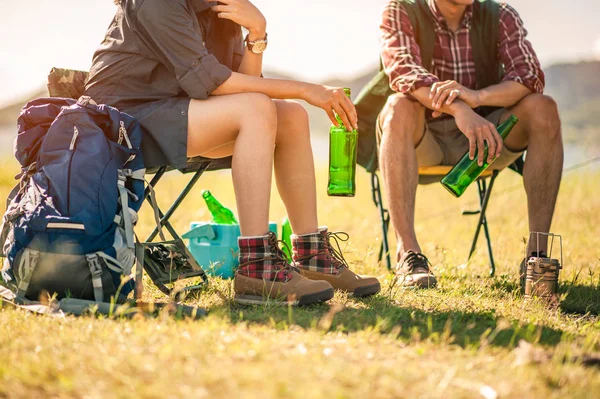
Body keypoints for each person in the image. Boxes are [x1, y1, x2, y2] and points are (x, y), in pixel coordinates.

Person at [84, 0, 381, 305]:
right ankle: (256, 266)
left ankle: (311, 255)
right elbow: (213, 83)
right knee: (258, 109)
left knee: (292, 117)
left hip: (178, 113)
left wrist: (256, 34)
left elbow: (248, 88)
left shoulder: (222, 8)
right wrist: (308, 89)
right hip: (120, 124)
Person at [377, 0, 563, 288]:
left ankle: (536, 259)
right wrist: (460, 110)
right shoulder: (401, 9)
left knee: (544, 108)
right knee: (397, 106)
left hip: (486, 140)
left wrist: (476, 97)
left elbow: (529, 76)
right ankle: (409, 254)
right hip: (425, 139)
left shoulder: (499, 14)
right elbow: (404, 71)